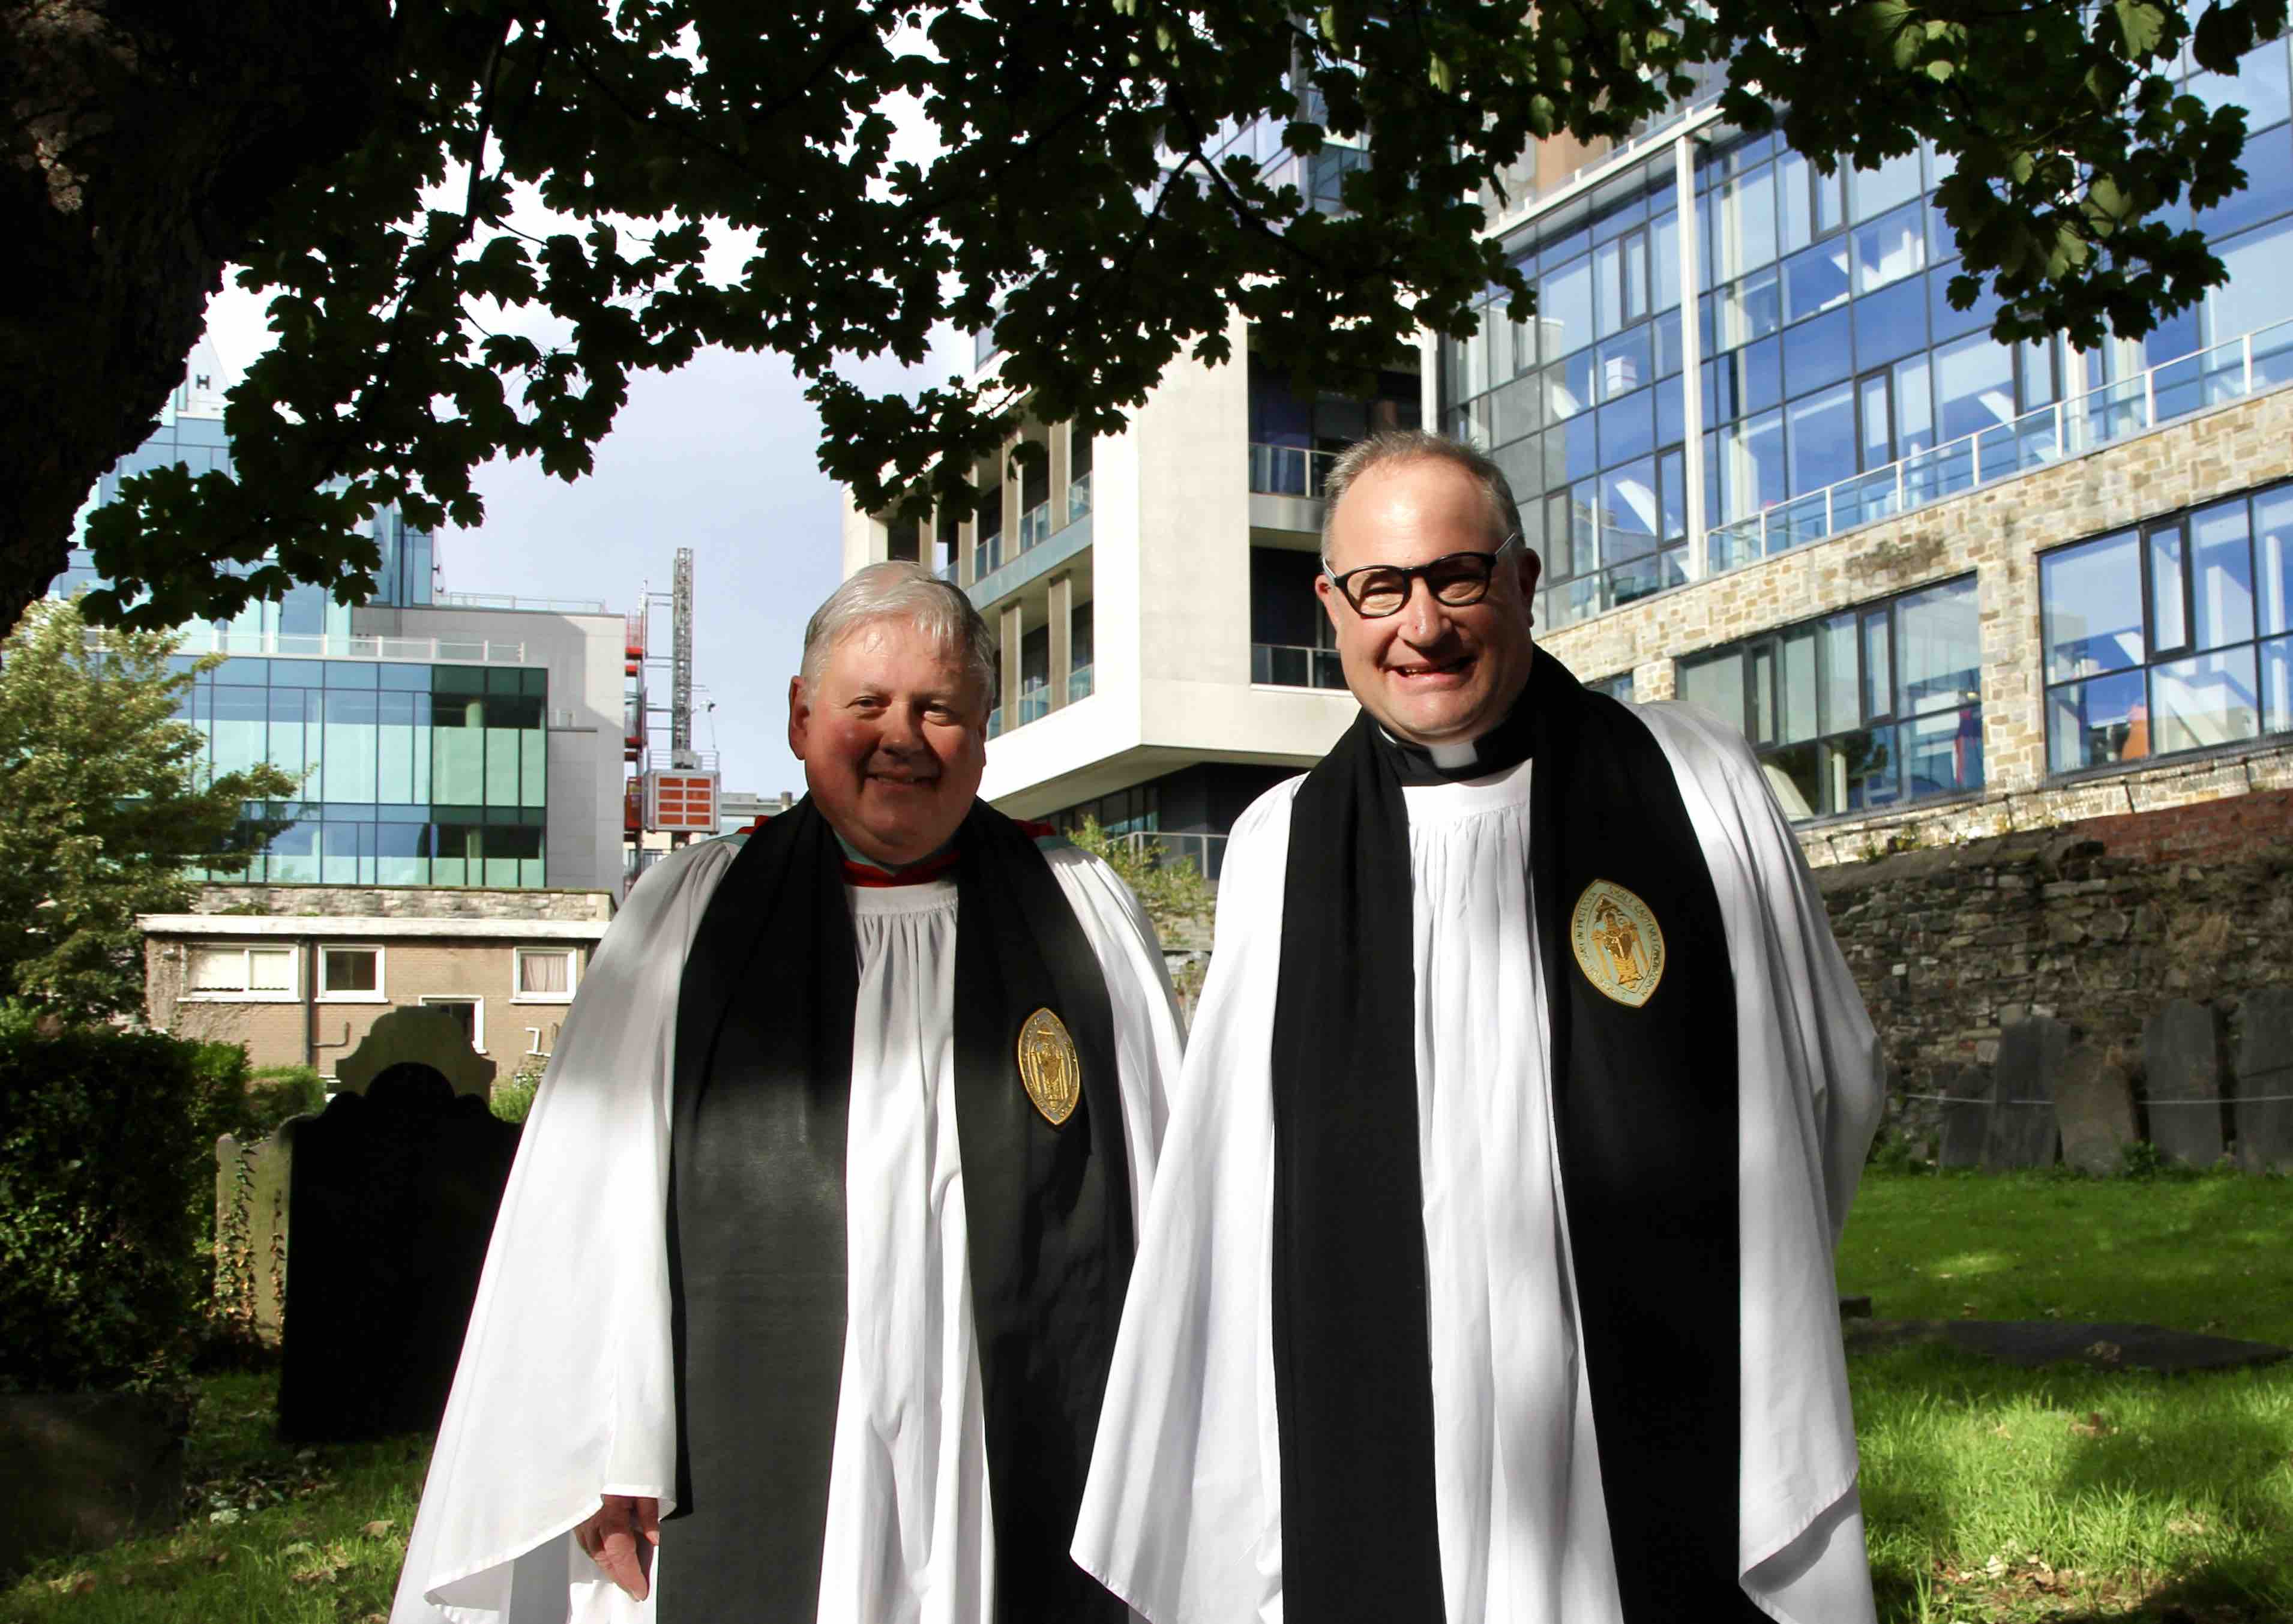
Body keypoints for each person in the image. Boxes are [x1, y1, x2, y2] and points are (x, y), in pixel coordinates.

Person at [1072, 431, 1885, 1624]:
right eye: (1380, 590)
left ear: (1523, 578)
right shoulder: (1281, 848)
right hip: (1383, 1416)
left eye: (1457, 577)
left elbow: (1828, 1080)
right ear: (1331, 606)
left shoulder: (1695, 786)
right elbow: (1229, 1196)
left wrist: (1736, 1295)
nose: (1422, 627)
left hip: (1656, 1397)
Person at [392, 562, 1180, 1624]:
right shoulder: (688, 917)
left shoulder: (1082, 914)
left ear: (984, 731)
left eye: (937, 707)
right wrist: (605, 1438)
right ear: (800, 720)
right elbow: (591, 1200)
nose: (900, 736)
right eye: (866, 704)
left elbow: (1174, 1192)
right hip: (747, 1436)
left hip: (1023, 1436)